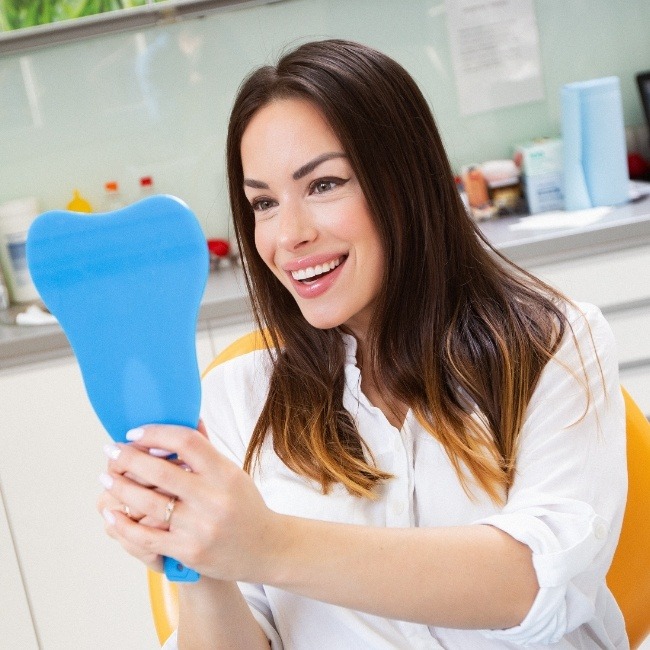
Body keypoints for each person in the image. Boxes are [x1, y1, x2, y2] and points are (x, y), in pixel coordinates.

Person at [98, 39, 628, 649]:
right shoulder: (237, 397)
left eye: (324, 184)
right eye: (263, 203)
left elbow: (534, 584)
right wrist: (201, 562)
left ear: (405, 181)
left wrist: (266, 544)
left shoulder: (551, 342)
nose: (287, 235)